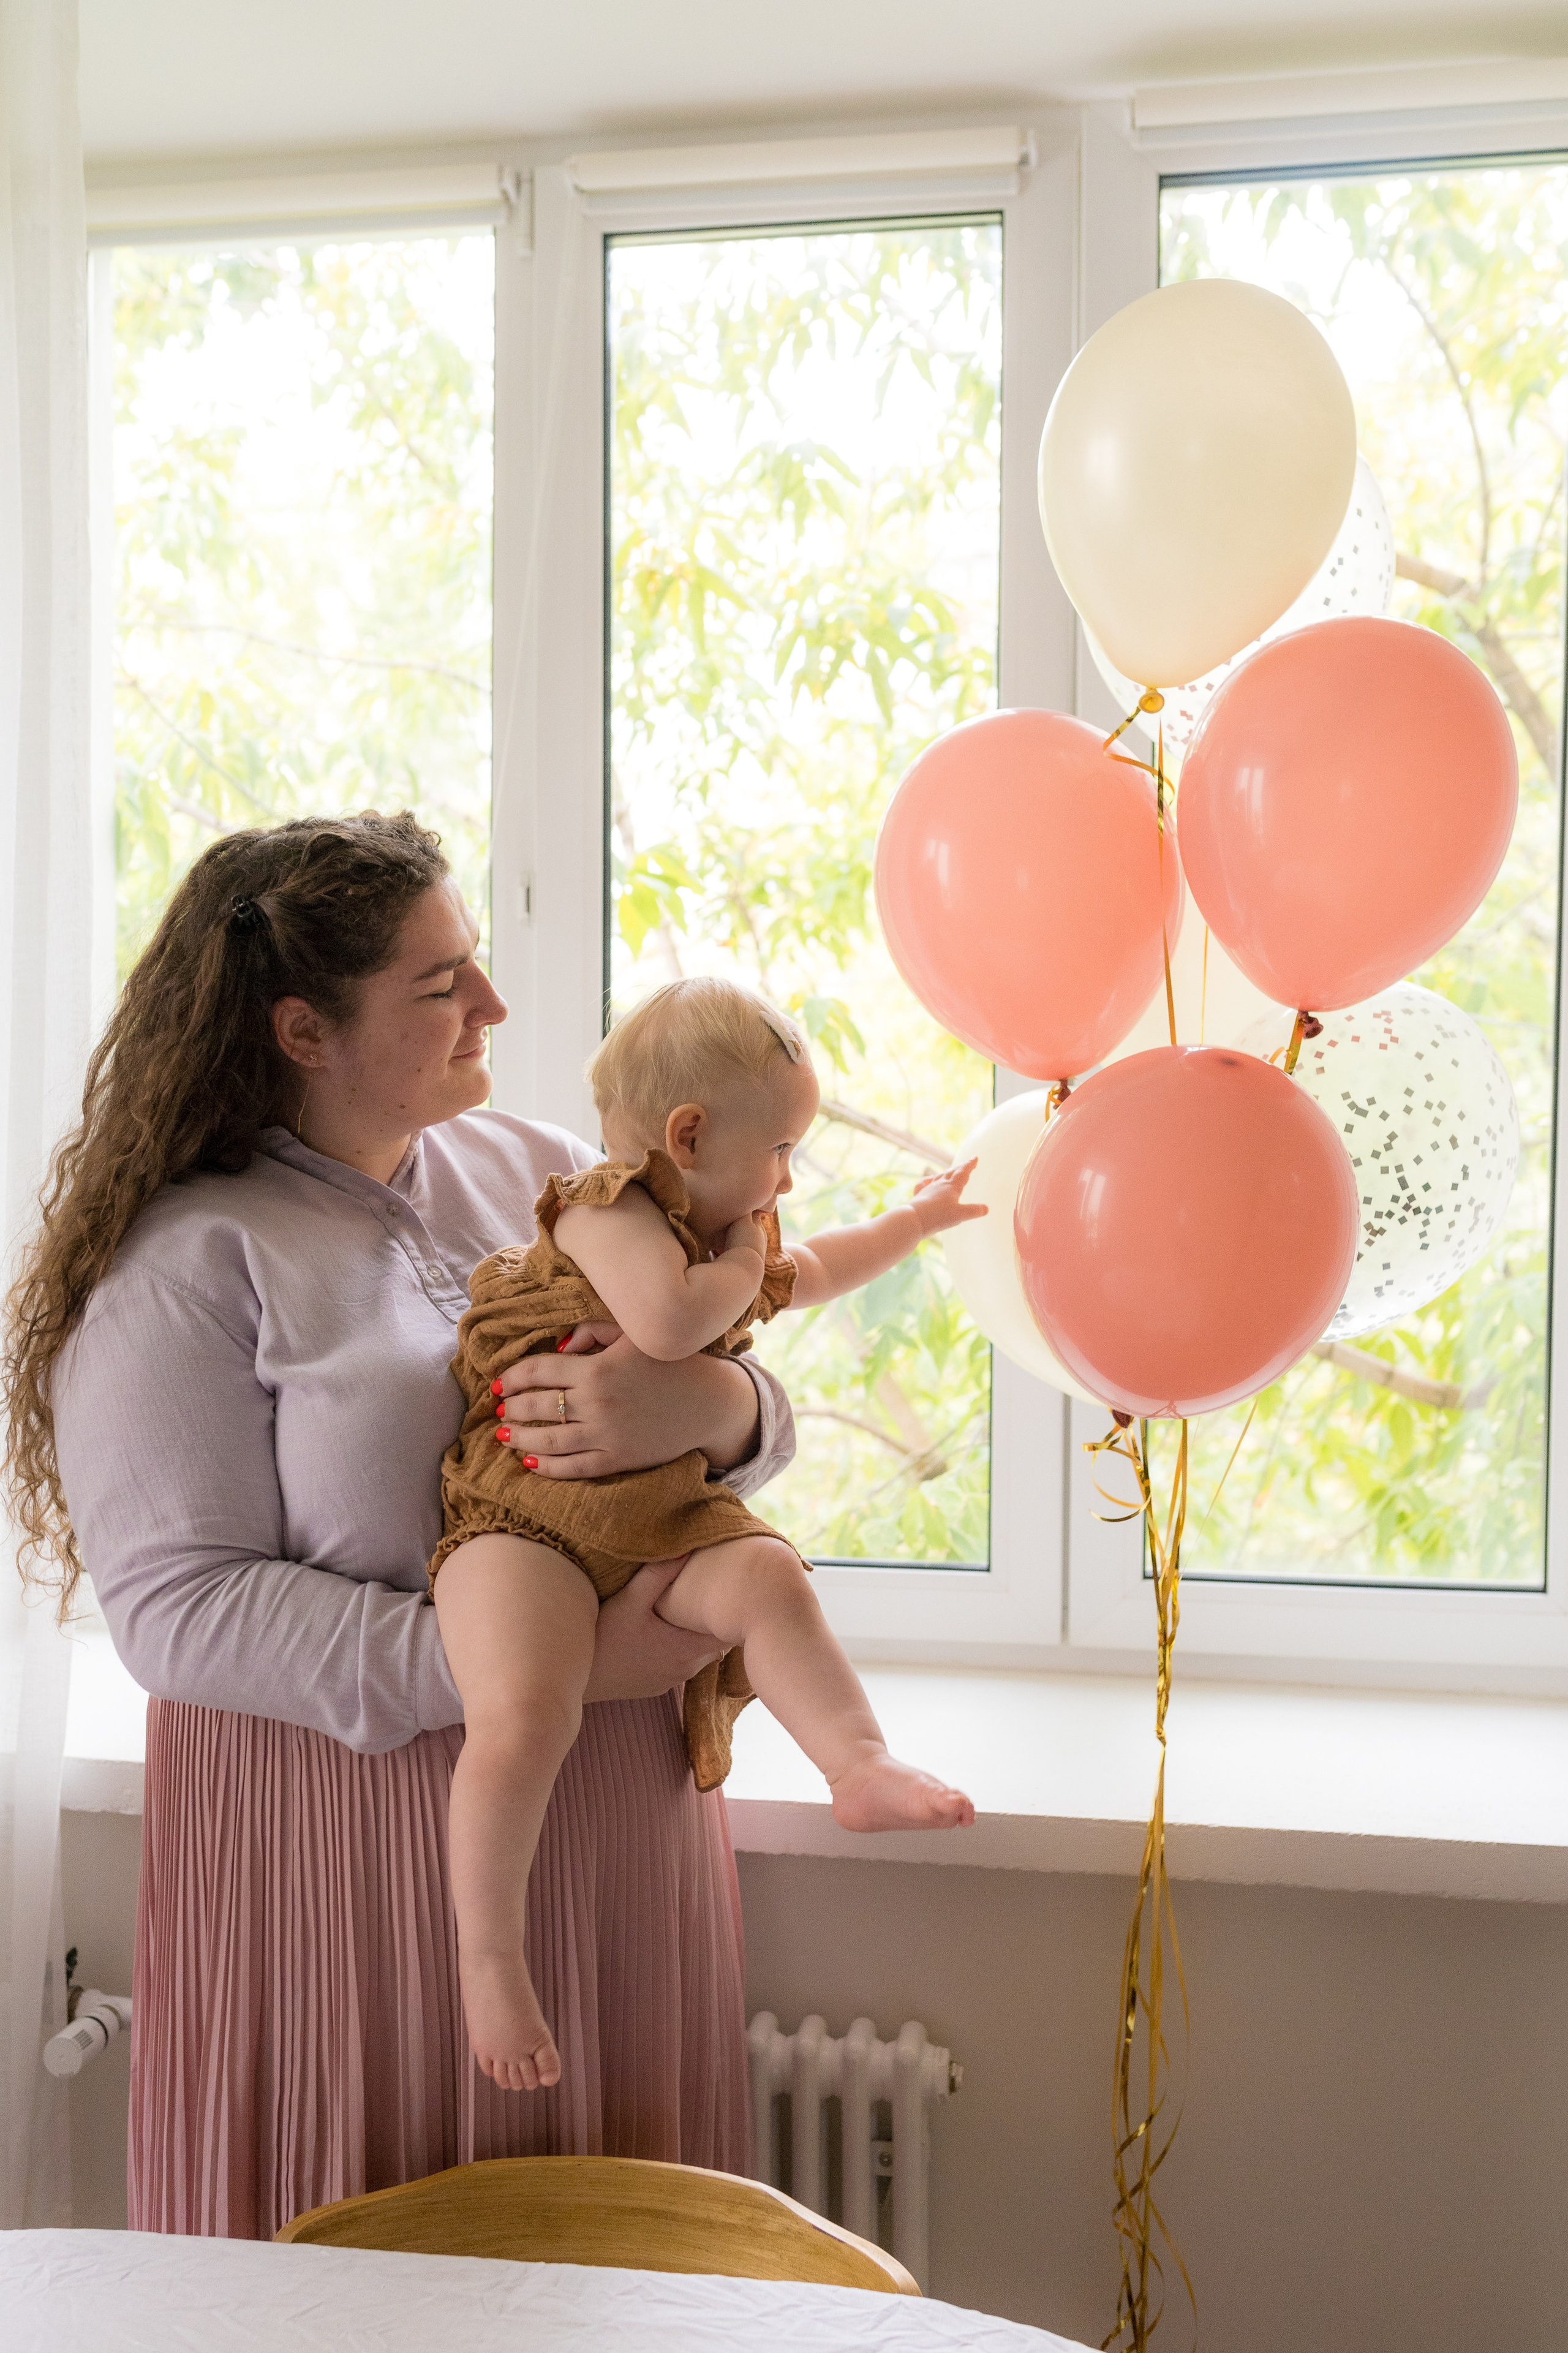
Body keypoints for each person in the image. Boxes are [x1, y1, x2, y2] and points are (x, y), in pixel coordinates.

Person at [2, 812, 799, 2240]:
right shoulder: (185, 1263)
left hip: (618, 1830)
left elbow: (744, 1392)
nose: (491, 1005)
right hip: (336, 1860)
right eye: (442, 985)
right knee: (368, 2257)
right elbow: (180, 1611)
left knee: (626, 2268)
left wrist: (715, 1413)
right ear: (304, 1028)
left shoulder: (541, 1168)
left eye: (475, 965)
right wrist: (525, 1672)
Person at [432, 977, 981, 2090]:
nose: (787, 1178)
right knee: (522, 1711)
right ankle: (489, 1956)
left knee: (771, 1574)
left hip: (658, 1513)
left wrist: (914, 1224)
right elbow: (676, 1322)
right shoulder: (603, 1206)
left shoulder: (726, 1225)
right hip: (520, 1512)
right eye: (781, 1148)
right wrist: (739, 1266)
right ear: (688, 1134)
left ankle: (857, 1759)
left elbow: (813, 1267)